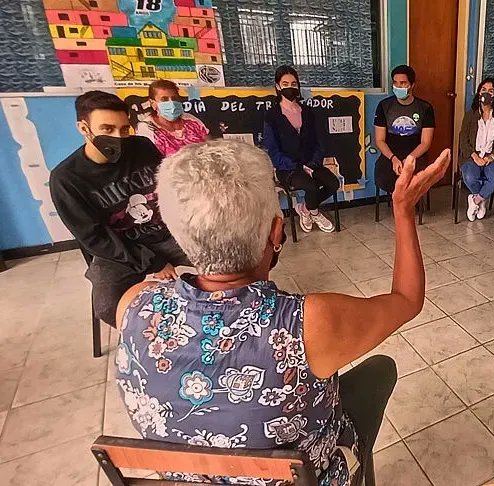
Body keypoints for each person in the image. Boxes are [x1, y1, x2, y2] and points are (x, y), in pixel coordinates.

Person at [115, 140, 450, 485]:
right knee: (381, 369)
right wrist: (403, 210)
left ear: (179, 234)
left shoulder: (133, 304)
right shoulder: (307, 323)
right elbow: (407, 299)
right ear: (277, 232)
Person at [49, 90, 189, 328]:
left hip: (170, 234)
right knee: (107, 306)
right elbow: (95, 238)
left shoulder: (142, 147)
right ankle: (163, 340)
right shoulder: (66, 179)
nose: (118, 137)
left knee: (234, 262)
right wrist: (152, 262)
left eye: (124, 130)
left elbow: (170, 189)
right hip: (120, 250)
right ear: (84, 128)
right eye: (107, 129)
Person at [263, 65, 338, 233]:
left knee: (332, 184)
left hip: (311, 163)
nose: (290, 87)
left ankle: (305, 208)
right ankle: (315, 212)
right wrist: (297, 166)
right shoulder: (272, 116)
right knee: (311, 186)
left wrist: (312, 163)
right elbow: (273, 151)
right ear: (277, 86)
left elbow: (320, 142)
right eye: (285, 83)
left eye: (294, 83)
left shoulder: (308, 112)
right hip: (288, 168)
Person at [374, 64, 435, 194]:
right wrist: (393, 158)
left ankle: (408, 203)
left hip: (416, 153)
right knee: (383, 179)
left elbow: (425, 143)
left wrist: (409, 159)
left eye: (403, 83)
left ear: (412, 85)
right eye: (395, 83)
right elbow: (379, 140)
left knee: (415, 179)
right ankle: (400, 201)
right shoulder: (384, 106)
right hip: (391, 152)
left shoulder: (425, 108)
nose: (398, 87)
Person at [458, 77, 494, 221]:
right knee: (469, 176)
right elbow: (463, 140)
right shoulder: (471, 114)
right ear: (479, 92)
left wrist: (491, 157)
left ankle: (475, 201)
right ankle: (482, 199)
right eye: (484, 90)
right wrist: (475, 157)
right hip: (472, 156)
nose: (486, 93)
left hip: (492, 157)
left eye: (491, 91)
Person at [135, 79, 209, 157]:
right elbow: (150, 160)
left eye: (174, 98)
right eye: (164, 99)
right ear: (153, 103)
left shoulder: (191, 120)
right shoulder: (146, 128)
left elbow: (210, 145)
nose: (171, 103)